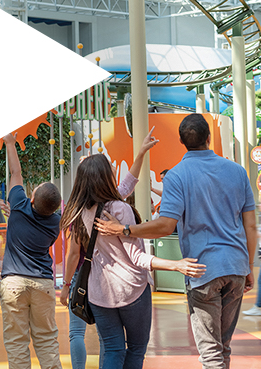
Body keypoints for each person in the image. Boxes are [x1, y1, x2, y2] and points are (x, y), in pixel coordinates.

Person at [96, 114, 257, 369]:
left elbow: (165, 225)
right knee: (223, 346)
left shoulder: (176, 176)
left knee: (211, 352)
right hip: (236, 267)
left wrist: (125, 229)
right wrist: (248, 265)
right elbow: (250, 225)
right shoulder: (238, 172)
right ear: (209, 137)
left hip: (201, 270)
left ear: (182, 141)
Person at [60, 133, 204, 369]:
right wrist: (175, 265)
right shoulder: (119, 209)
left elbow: (126, 186)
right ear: (106, 176)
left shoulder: (79, 212)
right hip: (131, 291)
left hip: (99, 293)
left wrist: (141, 154)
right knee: (136, 349)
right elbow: (137, 258)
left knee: (114, 348)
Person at [0, 132, 63, 369]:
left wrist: (10, 143)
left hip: (14, 282)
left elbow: (16, 173)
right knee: (46, 339)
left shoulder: (18, 203)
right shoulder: (55, 222)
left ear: (32, 197)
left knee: (16, 341)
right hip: (43, 284)